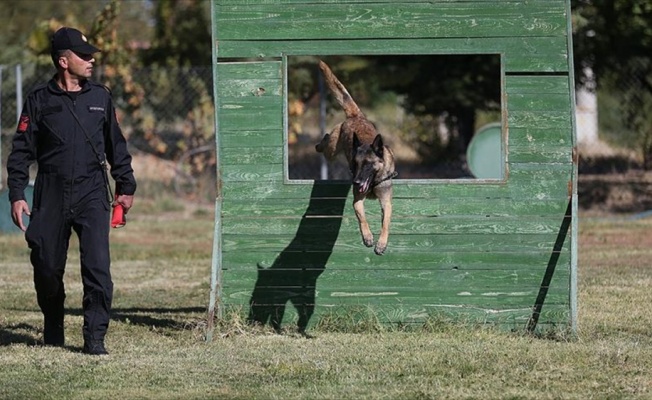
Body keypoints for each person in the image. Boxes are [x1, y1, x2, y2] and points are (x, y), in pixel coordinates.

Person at [6, 27, 136, 355]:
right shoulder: (38, 101)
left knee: (97, 268)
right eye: (83, 55)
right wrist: (18, 193)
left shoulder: (101, 97)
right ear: (64, 61)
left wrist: (126, 185)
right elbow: (20, 150)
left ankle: (95, 339)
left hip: (92, 191)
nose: (91, 60)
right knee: (46, 265)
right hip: (50, 191)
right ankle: (53, 322)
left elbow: (116, 146)